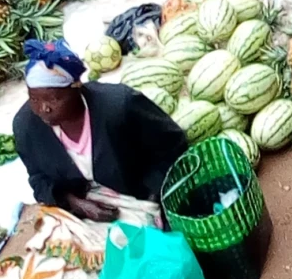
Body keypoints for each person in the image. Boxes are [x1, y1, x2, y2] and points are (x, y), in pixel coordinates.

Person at [11, 38, 190, 218]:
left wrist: (153, 197)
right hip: (85, 205)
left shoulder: (119, 106)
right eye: (34, 99)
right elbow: (38, 178)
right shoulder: (26, 126)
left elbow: (173, 145)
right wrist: (75, 203)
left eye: (54, 99)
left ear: (77, 88)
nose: (44, 108)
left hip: (143, 196)